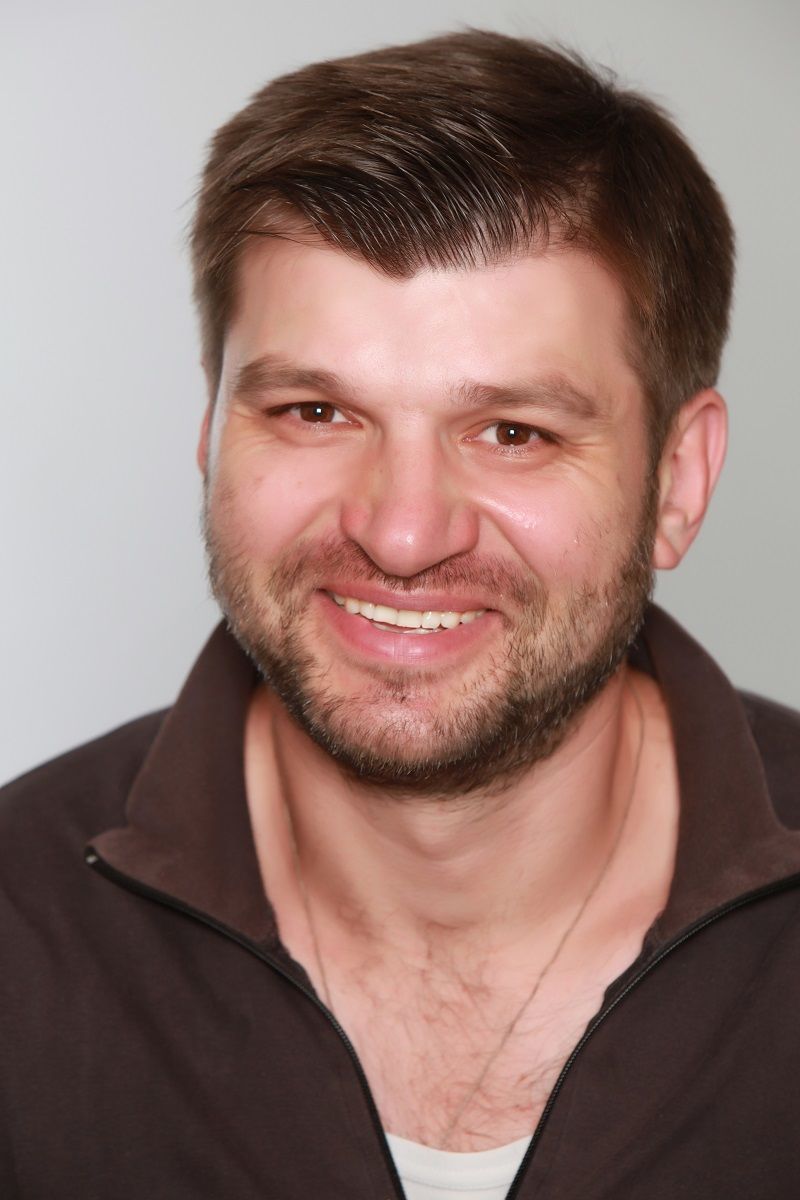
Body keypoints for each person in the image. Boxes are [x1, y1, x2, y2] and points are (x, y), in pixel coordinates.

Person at [1, 28, 799, 1200]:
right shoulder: (18, 930)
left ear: (675, 482)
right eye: (314, 412)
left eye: (512, 432)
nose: (402, 533)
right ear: (212, 431)